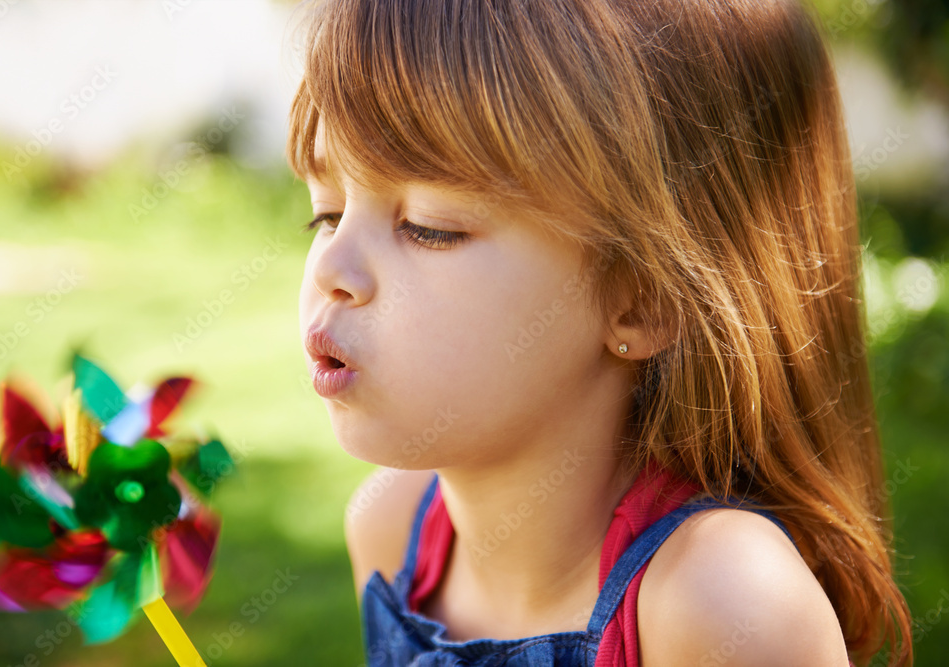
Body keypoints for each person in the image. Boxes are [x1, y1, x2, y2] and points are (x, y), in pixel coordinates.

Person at [286, 0, 913, 665]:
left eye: (430, 225)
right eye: (326, 213)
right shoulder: (391, 529)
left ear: (643, 300)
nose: (330, 266)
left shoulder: (726, 602)